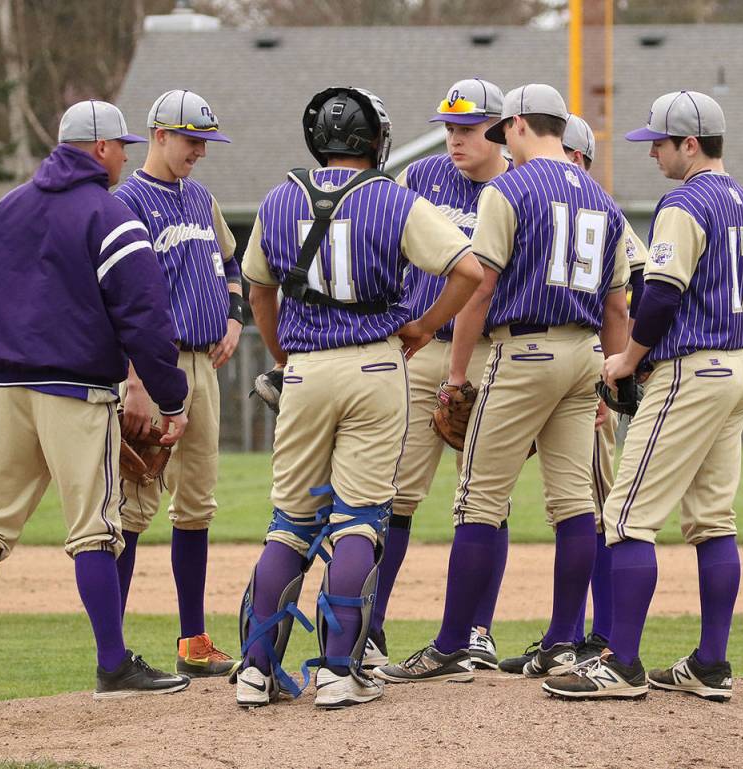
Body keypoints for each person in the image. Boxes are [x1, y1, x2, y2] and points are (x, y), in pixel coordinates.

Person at [0, 100, 190, 707]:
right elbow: (144, 320)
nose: (124, 153)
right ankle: (113, 666)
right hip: (75, 393)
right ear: (98, 149)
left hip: (6, 390)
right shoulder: (110, 215)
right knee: (95, 529)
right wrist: (171, 397)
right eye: (119, 144)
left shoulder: (5, 210)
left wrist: (0, 361)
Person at [235, 86, 482, 708]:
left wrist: (282, 353)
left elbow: (257, 287)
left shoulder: (279, 196)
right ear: (376, 140)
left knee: (289, 523)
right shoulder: (393, 198)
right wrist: (426, 327)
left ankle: (255, 673)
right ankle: (340, 674)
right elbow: (469, 271)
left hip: (304, 371)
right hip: (375, 365)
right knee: (362, 520)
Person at [376, 84, 630, 685]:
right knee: (574, 506)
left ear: (517, 125)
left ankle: (450, 645)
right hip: (583, 354)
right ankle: (565, 643)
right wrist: (611, 381)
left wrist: (458, 373)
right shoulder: (599, 195)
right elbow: (618, 305)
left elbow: (480, 286)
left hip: (520, 351)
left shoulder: (506, 189)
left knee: (478, 500)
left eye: (499, 131)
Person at [542, 91, 743, 702]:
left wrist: (628, 359)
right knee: (714, 520)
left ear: (690, 143)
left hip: (690, 371)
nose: (655, 154)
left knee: (626, 517)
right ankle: (711, 665)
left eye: (661, 143)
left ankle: (622, 664)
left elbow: (662, 292)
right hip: (738, 367)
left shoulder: (685, 201)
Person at [366, 77, 512, 672]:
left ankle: (477, 631)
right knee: (394, 494)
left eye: (468, 129)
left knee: (485, 500)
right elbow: (382, 242)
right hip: (423, 346)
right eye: (449, 128)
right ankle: (369, 629)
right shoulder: (421, 178)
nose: (454, 139)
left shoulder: (519, 185)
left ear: (500, 129)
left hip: (492, 351)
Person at [498, 113, 648, 673]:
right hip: (589, 365)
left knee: (601, 509)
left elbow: (630, 297)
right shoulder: (587, 209)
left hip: (598, 372)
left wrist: (616, 381)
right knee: (580, 506)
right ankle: (571, 633)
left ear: (576, 157)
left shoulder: (597, 211)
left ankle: (601, 637)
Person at [112, 90, 240, 678]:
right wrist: (133, 378)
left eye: (205, 142)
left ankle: (193, 642)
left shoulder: (202, 200)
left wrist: (235, 316)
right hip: (148, 368)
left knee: (196, 506)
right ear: (158, 135)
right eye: (192, 140)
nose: (200, 152)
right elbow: (113, 299)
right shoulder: (125, 202)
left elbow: (232, 263)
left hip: (202, 369)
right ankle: (112, 652)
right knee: (134, 505)